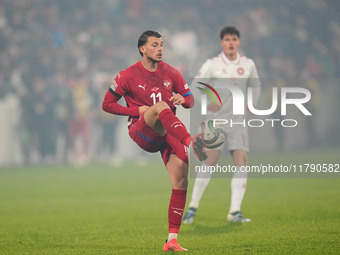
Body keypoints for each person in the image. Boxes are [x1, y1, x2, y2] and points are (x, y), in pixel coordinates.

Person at [102, 30, 206, 251]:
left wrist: (183, 99)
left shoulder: (171, 72)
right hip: (142, 132)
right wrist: (135, 110)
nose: (160, 49)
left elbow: (189, 99)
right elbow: (107, 104)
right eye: (154, 45)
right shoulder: (127, 75)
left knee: (180, 181)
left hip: (167, 133)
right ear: (142, 49)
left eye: (161, 45)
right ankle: (191, 141)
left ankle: (172, 240)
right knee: (160, 108)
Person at [183, 26, 261, 224]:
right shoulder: (213, 64)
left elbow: (257, 85)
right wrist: (206, 102)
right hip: (216, 121)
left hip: (237, 122)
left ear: (239, 41)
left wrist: (252, 102)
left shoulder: (248, 64)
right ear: (222, 43)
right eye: (227, 39)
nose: (231, 42)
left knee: (241, 161)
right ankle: (192, 207)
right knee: (209, 162)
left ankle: (235, 211)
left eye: (234, 38)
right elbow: (194, 86)